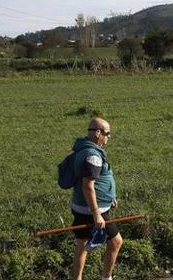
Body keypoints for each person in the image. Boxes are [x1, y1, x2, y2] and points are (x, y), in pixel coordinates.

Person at [70, 118, 123, 280]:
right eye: (107, 133)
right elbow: (88, 186)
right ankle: (106, 277)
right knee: (115, 242)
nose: (109, 137)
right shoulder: (93, 156)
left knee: (82, 244)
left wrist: (109, 197)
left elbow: (94, 180)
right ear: (97, 133)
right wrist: (96, 214)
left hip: (81, 205)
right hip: (92, 209)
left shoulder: (81, 147)